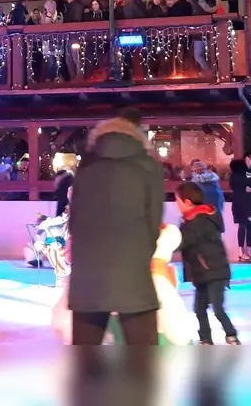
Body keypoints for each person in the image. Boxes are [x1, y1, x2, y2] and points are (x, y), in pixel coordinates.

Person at [66, 108, 164, 345]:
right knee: (143, 355)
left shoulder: (86, 168)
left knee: (86, 357)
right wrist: (142, 252)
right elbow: (153, 223)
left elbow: (74, 220)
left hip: (88, 272)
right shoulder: (149, 167)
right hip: (132, 267)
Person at [175, 181, 238, 345]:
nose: (176, 205)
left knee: (217, 308)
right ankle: (205, 338)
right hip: (203, 271)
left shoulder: (199, 221)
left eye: (177, 201)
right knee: (199, 309)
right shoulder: (193, 219)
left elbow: (183, 241)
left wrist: (165, 239)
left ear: (187, 202)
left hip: (214, 271)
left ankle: (231, 335)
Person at [228, 156, 251, 262]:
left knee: (250, 226)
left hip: (250, 203)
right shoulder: (236, 173)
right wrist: (244, 188)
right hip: (240, 203)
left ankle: (248, 249)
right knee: (243, 225)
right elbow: (234, 185)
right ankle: (241, 251)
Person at [187, 160, 224, 230]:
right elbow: (221, 201)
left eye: (193, 171)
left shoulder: (196, 187)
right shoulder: (215, 184)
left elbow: (192, 206)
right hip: (217, 221)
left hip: (201, 223)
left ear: (196, 172)